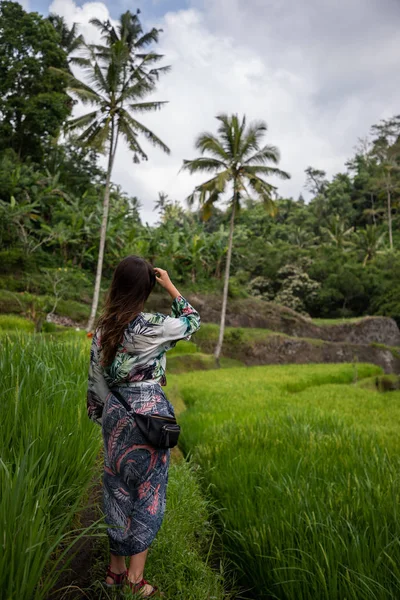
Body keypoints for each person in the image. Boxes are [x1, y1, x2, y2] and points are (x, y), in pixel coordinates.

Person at [86, 255, 201, 597]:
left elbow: (95, 380)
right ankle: (136, 582)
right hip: (150, 414)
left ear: (116, 284)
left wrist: (105, 417)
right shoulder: (154, 324)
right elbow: (192, 321)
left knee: (116, 489)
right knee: (148, 493)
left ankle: (114, 572)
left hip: (116, 413)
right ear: (146, 287)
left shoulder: (104, 327)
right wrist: (169, 286)